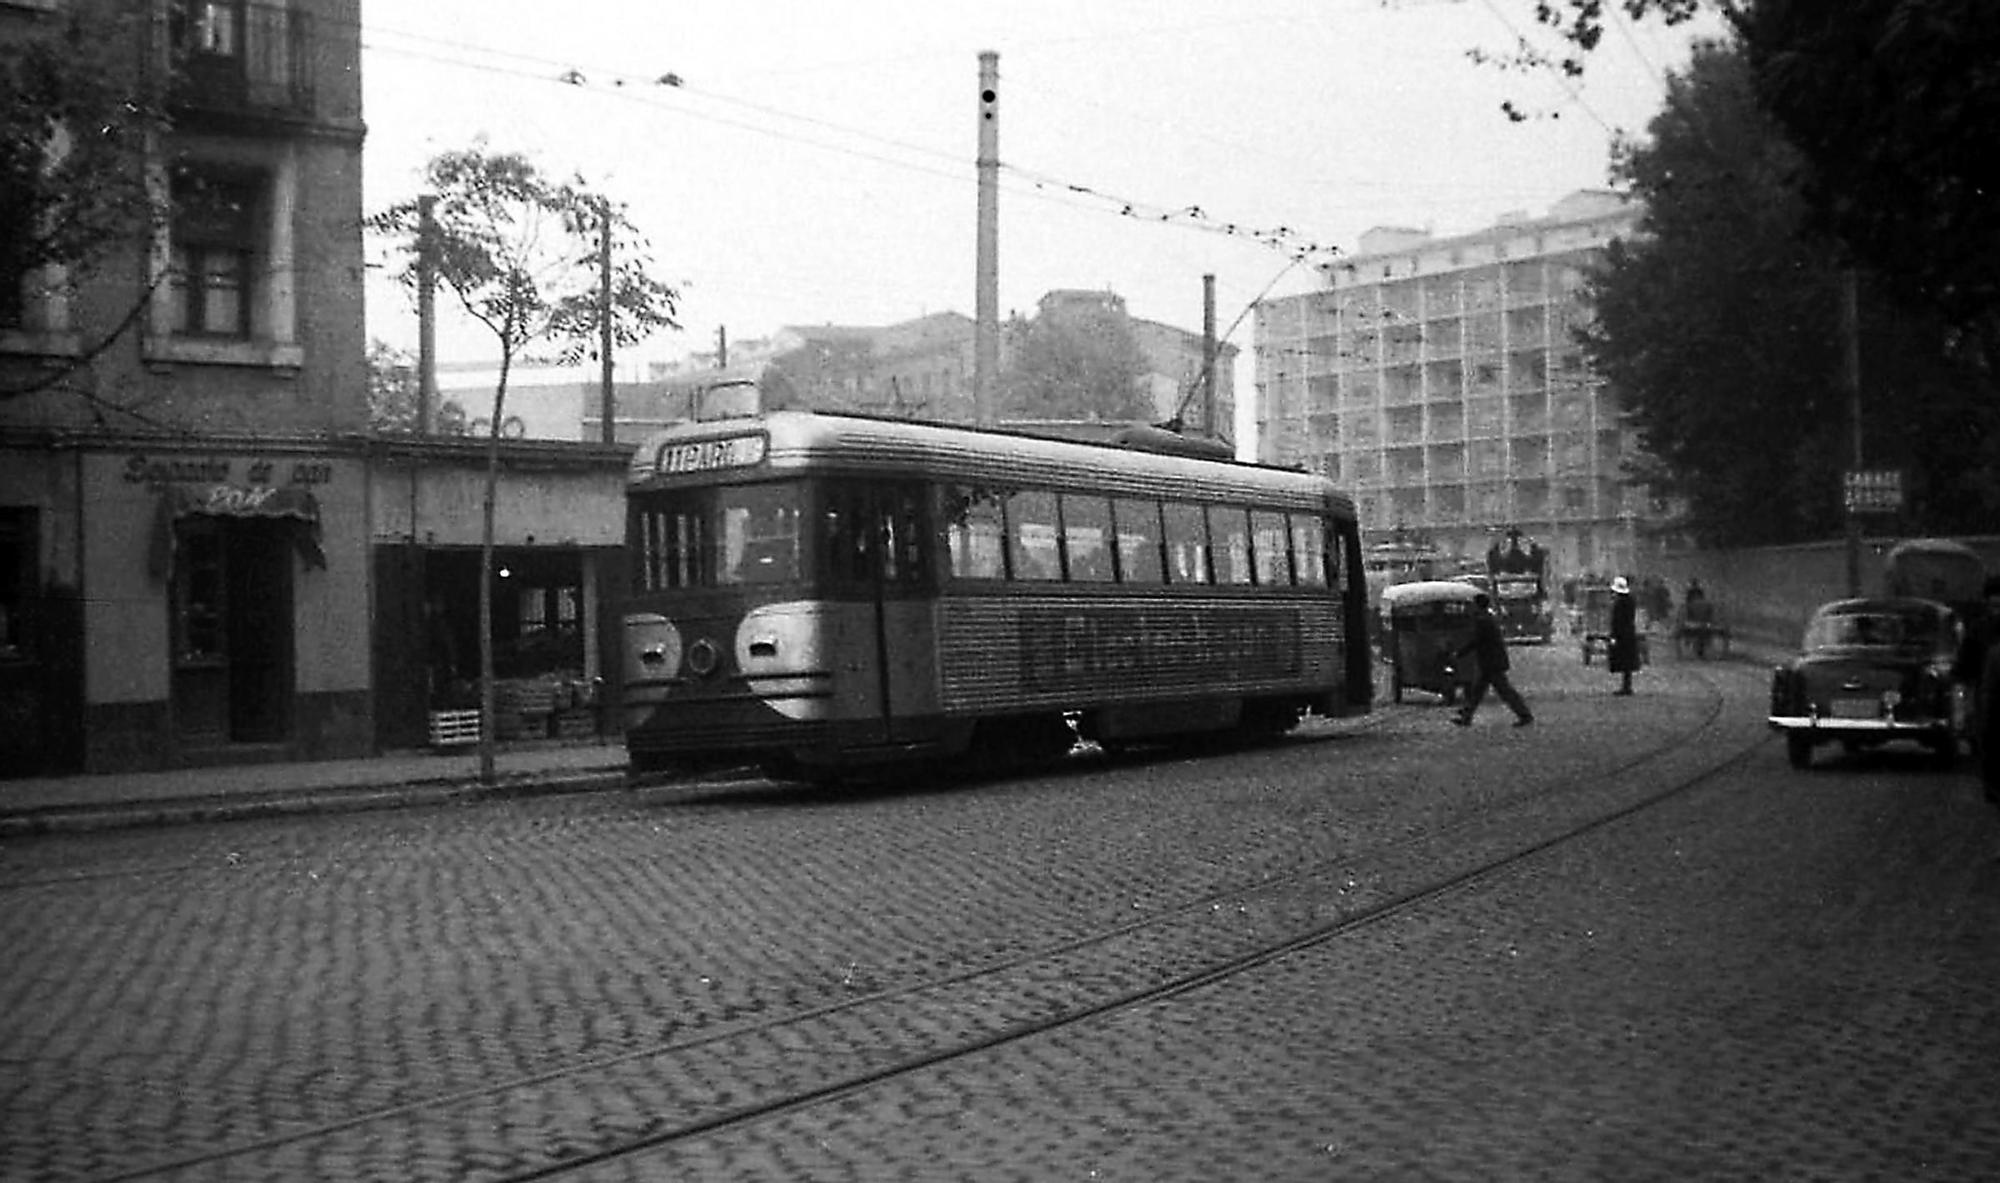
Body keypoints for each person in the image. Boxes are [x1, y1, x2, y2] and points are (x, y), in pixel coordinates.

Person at [1952, 575, 2000, 810]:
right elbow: (1964, 669)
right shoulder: (1979, 630)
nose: (1997, 611)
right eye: (1993, 606)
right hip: (1987, 696)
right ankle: (1992, 787)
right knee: (1989, 741)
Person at [1451, 591, 1533, 728]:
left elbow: (1476, 641)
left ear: (1478, 605)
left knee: (1504, 691)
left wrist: (1460, 653)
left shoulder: (1483, 621)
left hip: (1491, 663)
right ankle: (1466, 716)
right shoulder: (1487, 618)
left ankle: (1524, 715)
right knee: (1478, 691)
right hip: (1490, 662)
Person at [1608, 575, 1640, 695]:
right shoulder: (1630, 601)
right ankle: (1627, 686)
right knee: (1627, 663)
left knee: (1624, 661)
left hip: (1622, 635)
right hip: (1629, 633)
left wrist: (1613, 636)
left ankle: (1626, 687)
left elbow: (1617, 621)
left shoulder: (1620, 603)